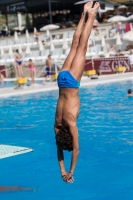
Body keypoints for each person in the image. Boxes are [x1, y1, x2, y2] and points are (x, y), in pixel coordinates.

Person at [54, 1, 100, 183]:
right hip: (62, 80)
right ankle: (83, 14)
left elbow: (77, 150)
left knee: (82, 46)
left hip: (72, 82)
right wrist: (62, 171)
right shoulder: (56, 125)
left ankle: (92, 14)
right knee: (74, 45)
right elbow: (58, 149)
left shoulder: (71, 123)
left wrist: (71, 171)